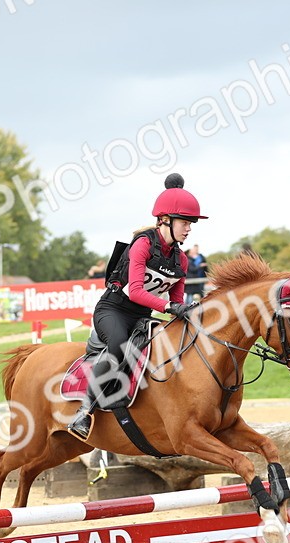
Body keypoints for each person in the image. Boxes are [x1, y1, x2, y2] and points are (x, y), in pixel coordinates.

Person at [66, 173, 203, 440]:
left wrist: (188, 311)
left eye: (190, 224)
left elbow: (176, 301)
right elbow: (137, 291)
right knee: (118, 344)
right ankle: (84, 412)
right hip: (113, 310)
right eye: (185, 223)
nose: (189, 229)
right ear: (165, 220)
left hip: (142, 316)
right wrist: (170, 308)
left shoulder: (181, 260)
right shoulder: (142, 244)